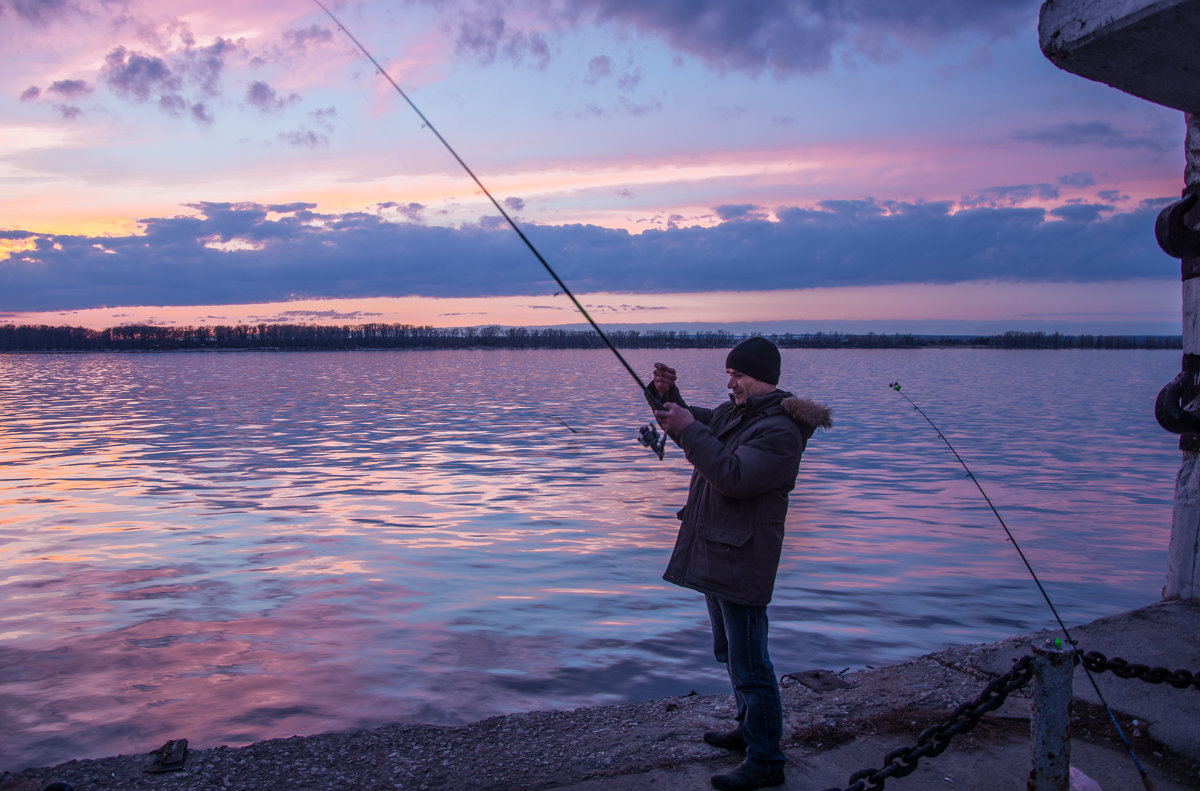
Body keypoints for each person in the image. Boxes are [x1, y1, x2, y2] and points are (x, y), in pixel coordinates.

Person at [649, 337, 831, 791]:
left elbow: (734, 477)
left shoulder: (781, 431)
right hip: (716, 547)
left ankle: (767, 760)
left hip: (744, 557)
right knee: (728, 652)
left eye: (739, 375)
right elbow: (701, 424)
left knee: (751, 663)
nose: (730, 382)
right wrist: (668, 396)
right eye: (729, 373)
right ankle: (747, 731)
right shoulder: (737, 412)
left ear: (764, 379)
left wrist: (688, 430)